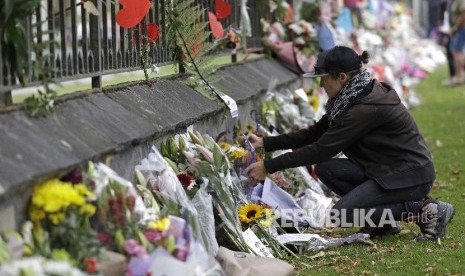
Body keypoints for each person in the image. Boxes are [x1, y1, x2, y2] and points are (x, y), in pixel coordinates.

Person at [245, 46, 455, 240]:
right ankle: (382, 223)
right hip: (385, 170)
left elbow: (321, 149)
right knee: (327, 170)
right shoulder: (350, 97)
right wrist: (265, 142)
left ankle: (424, 210)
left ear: (342, 77)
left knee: (342, 215)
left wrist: (268, 166)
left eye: (324, 78)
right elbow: (315, 134)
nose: (321, 84)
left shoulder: (362, 109)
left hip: (409, 175)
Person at [449, 0, 465, 85]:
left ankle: (459, 77)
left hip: (461, 28)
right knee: (457, 52)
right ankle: (459, 76)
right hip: (460, 29)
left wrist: (455, 28)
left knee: (457, 52)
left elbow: (463, 15)